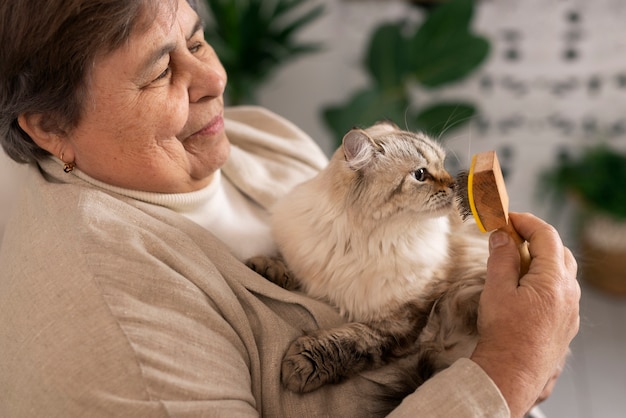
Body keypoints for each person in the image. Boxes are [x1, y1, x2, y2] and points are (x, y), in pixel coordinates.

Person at [0, 0, 580, 417]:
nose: (214, 78)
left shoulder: (254, 135)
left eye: (198, 42)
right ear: (52, 127)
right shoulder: (113, 321)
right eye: (159, 71)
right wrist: (511, 367)